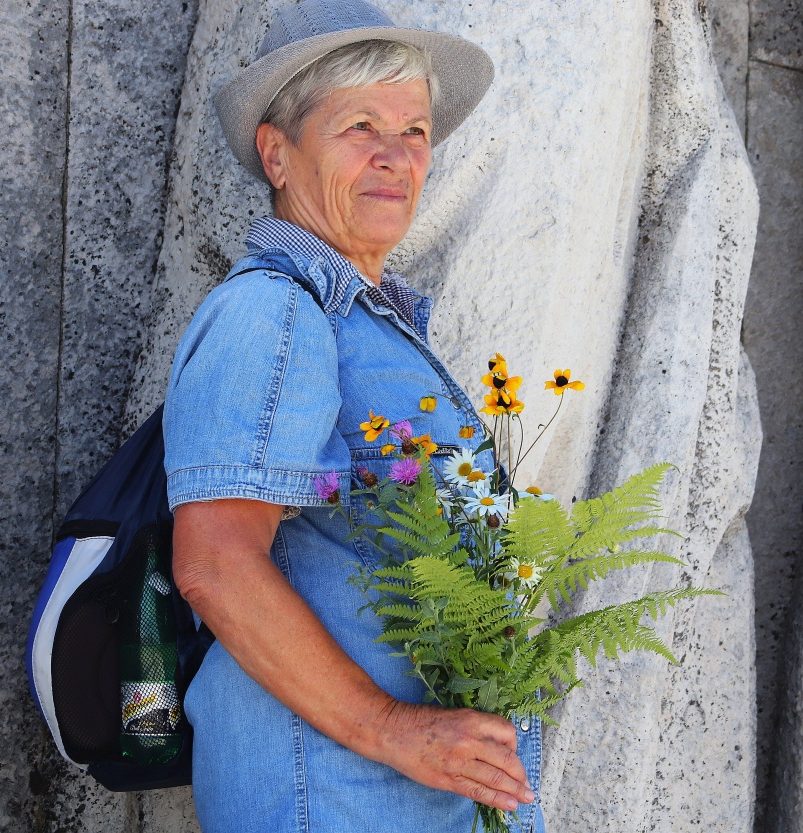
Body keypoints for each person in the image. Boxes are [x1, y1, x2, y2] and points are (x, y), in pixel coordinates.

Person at [162, 1, 544, 831]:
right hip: (330, 801)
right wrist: (392, 728)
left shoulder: (368, 324)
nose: (394, 155)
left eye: (414, 131)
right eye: (360, 125)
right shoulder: (277, 311)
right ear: (278, 153)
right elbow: (216, 560)